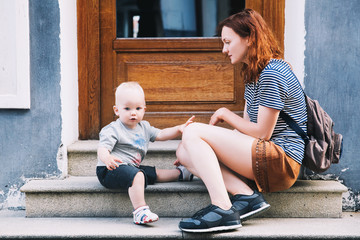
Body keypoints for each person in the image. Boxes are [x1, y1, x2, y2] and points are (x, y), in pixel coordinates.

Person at [176, 9, 307, 233]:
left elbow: (262, 133)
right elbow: (249, 131)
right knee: (184, 151)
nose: (224, 50)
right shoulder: (253, 73)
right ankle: (247, 197)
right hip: (263, 154)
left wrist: (226, 114)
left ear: (249, 38)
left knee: (193, 131)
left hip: (283, 161)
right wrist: (200, 154)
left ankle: (222, 208)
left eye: (228, 42)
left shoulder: (273, 72)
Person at [96, 81, 194, 225]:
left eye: (138, 108)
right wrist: (107, 158)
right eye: (127, 108)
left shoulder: (144, 127)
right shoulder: (113, 129)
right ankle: (140, 211)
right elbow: (102, 148)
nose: (133, 112)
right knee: (138, 175)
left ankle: (183, 173)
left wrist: (178, 128)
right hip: (109, 170)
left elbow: (161, 134)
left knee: (152, 173)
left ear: (144, 109)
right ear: (117, 110)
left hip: (131, 168)